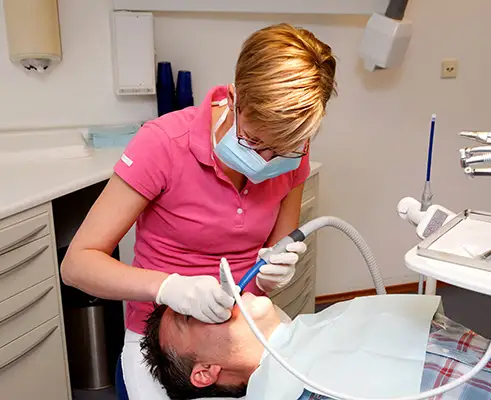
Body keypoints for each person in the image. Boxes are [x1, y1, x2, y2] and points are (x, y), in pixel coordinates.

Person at [59, 23, 337, 398]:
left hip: (243, 333)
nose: (265, 160)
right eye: (253, 140)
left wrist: (272, 274)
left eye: (282, 149)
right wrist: (171, 288)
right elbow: (77, 265)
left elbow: (276, 245)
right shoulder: (163, 144)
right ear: (235, 98)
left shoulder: (292, 154)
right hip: (168, 336)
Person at [142, 294, 491, 400]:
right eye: (189, 316)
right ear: (204, 373)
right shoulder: (303, 391)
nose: (208, 303)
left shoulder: (333, 320)